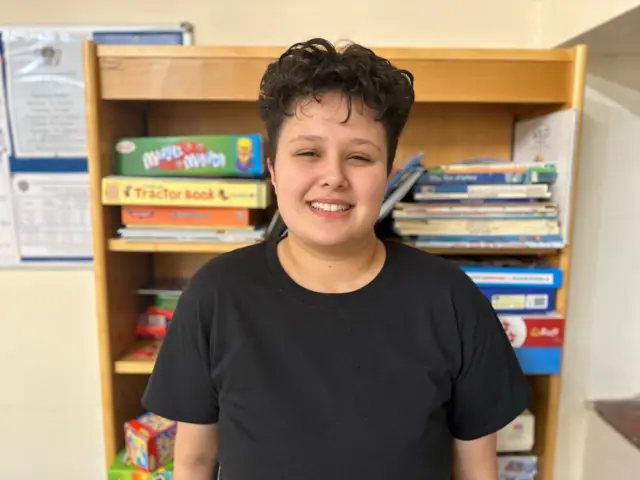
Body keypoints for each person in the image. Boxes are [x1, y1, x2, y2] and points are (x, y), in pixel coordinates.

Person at [142, 37, 531, 480]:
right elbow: (193, 462)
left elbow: (477, 470)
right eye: (308, 153)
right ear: (272, 169)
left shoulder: (450, 298)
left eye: (360, 157)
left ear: (388, 173)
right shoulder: (216, 294)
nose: (333, 178)